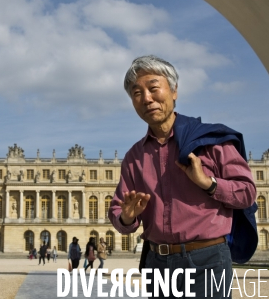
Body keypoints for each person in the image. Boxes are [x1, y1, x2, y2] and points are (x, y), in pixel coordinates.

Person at [109, 55, 256, 299]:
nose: (146, 98)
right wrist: (126, 217)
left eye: (153, 88)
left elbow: (247, 193)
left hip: (207, 260)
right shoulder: (134, 156)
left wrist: (209, 184)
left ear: (174, 90)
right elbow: (117, 212)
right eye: (137, 93)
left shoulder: (211, 142)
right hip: (157, 262)